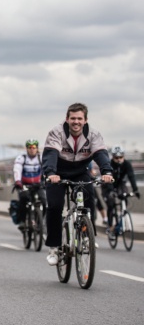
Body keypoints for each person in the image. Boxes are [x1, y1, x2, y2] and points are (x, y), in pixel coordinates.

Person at [42, 103, 113, 265]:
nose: (76, 122)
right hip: (57, 172)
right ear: (67, 119)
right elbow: (50, 154)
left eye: (79, 119)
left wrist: (107, 172)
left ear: (85, 120)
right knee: (55, 206)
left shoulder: (93, 134)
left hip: (80, 171)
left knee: (89, 199)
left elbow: (101, 154)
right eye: (73, 118)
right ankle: (53, 247)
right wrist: (51, 173)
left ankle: (87, 236)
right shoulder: (56, 132)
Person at [103, 145, 140, 238]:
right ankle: (109, 226)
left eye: (121, 157)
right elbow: (108, 179)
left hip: (120, 184)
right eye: (116, 158)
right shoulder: (109, 164)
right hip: (108, 185)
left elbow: (131, 176)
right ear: (113, 157)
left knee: (125, 198)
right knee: (110, 203)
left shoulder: (127, 164)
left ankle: (119, 223)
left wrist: (135, 190)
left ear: (123, 156)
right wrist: (111, 191)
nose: (119, 159)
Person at [13, 139, 46, 232]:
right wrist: (18, 181)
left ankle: (40, 221)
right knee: (23, 199)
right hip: (24, 184)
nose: (32, 149)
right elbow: (17, 169)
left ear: (37, 148)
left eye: (34, 147)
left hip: (38, 184)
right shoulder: (21, 158)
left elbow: (46, 169)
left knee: (44, 201)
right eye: (30, 147)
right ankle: (23, 221)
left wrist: (47, 180)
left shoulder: (41, 158)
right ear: (27, 148)